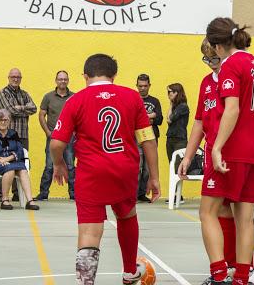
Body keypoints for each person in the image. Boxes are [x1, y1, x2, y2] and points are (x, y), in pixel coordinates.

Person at [50, 54, 161, 285]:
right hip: (125, 171)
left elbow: (57, 143)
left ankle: (86, 281)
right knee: (127, 215)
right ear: (114, 75)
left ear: (85, 76)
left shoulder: (76, 100)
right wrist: (154, 177)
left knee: (90, 231)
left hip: (91, 174)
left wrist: (59, 164)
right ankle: (130, 273)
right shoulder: (132, 97)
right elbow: (148, 140)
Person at [178, 38, 254, 284]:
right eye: (207, 59)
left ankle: (235, 270)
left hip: (229, 152)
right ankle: (233, 267)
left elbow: (237, 113)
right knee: (223, 209)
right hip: (214, 152)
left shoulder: (237, 77)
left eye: (215, 58)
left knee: (233, 211)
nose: (212, 64)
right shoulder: (206, 83)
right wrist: (188, 155)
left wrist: (219, 147)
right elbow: (200, 121)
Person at [201, 17, 254, 285]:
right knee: (245, 219)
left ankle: (218, 273)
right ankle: (241, 277)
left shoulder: (231, 65)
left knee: (207, 211)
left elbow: (233, 109)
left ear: (217, 46)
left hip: (234, 149)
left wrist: (216, 148)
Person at [0, 68, 37, 202]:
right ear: (8, 77)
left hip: (22, 135)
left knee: (20, 163)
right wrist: (23, 108)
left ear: (21, 78)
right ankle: (3, 194)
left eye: (18, 77)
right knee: (5, 163)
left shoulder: (24, 94)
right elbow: (9, 111)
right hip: (7, 135)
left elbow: (34, 108)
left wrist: (18, 108)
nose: (15, 79)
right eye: (13, 76)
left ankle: (18, 194)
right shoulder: (2, 93)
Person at [0, 109, 39, 211]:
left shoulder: (13, 134)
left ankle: (29, 201)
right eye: (0, 120)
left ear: (9, 121)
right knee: (10, 170)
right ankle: (5, 199)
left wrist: (7, 158)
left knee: (23, 170)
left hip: (12, 161)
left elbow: (20, 151)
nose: (3, 122)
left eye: (6, 120)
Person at [35, 70, 75, 201]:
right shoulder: (48, 97)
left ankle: (74, 193)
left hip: (69, 138)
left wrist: (75, 132)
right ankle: (43, 193)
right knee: (49, 165)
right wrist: (47, 132)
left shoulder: (74, 97)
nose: (62, 81)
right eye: (60, 79)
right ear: (56, 80)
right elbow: (41, 115)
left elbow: (79, 116)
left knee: (70, 165)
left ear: (68, 80)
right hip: (53, 138)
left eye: (65, 79)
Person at [136, 73, 163, 203]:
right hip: (136, 138)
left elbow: (160, 119)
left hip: (152, 137)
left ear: (149, 86)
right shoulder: (134, 99)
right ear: (136, 86)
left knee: (147, 168)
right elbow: (133, 119)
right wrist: (150, 116)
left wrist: (151, 118)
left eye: (145, 86)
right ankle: (133, 194)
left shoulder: (155, 101)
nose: (142, 88)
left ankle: (142, 193)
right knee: (137, 166)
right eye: (140, 86)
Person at [166, 83, 189, 204]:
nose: (169, 94)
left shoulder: (182, 107)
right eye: (168, 92)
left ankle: (177, 195)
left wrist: (170, 104)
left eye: (171, 92)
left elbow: (169, 119)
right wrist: (171, 104)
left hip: (180, 139)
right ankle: (175, 194)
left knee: (177, 167)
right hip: (171, 138)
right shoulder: (175, 107)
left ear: (177, 92)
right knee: (172, 166)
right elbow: (168, 120)